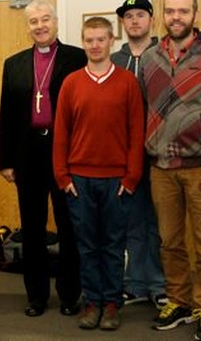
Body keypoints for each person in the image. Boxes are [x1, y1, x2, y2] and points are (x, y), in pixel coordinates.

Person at [138, 0, 201, 341]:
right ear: (163, 16)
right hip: (161, 169)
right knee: (169, 242)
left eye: (183, 11)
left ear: (195, 14)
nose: (176, 17)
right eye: (170, 11)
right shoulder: (150, 59)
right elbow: (142, 111)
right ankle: (178, 301)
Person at [53, 16, 145, 330]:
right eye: (89, 40)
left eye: (101, 39)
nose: (95, 45)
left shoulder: (127, 82)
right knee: (87, 245)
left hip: (117, 181)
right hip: (79, 180)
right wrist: (63, 177)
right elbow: (61, 132)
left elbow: (137, 132)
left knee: (113, 244)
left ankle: (111, 303)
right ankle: (92, 302)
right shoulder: (71, 83)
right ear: (83, 42)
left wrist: (131, 177)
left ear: (111, 41)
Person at [0, 0, 85, 318]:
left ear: (56, 22)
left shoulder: (77, 58)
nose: (40, 25)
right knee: (32, 227)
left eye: (45, 19)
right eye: (33, 21)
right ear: (27, 27)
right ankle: (36, 295)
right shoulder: (14, 63)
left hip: (65, 152)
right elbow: (6, 114)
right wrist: (6, 161)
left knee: (68, 226)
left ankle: (69, 293)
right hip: (27, 153)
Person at [111, 0, 167, 310]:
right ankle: (134, 284)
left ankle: (158, 285)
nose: (134, 20)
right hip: (122, 156)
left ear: (151, 20)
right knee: (131, 221)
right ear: (123, 22)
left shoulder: (164, 56)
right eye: (129, 16)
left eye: (140, 15)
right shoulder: (114, 60)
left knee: (157, 222)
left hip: (158, 155)